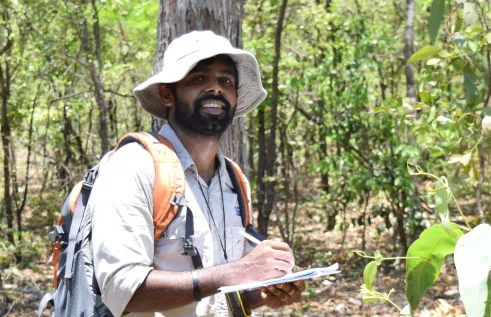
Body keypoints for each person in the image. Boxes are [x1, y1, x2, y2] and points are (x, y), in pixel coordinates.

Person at [88, 30, 306, 317]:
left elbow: (218, 293)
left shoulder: (234, 179)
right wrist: (236, 271)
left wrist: (265, 290)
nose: (215, 89)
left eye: (225, 80)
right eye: (199, 78)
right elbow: (122, 290)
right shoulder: (134, 166)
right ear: (168, 94)